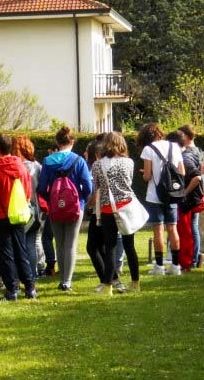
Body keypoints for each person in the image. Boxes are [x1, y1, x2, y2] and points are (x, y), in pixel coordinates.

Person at [38, 126, 93, 291]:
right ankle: (66, 281)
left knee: (59, 243)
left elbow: (41, 187)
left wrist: (51, 200)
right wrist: (80, 199)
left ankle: (62, 277)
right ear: (72, 141)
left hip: (55, 208)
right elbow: (88, 187)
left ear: (56, 142)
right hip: (75, 207)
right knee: (70, 244)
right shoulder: (79, 161)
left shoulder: (48, 161)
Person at [0, 133, 37, 301]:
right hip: (19, 214)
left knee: (6, 254)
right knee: (21, 250)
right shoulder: (21, 166)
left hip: (0, 216)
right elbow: (28, 192)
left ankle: (12, 289)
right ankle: (30, 287)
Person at [91, 132, 141, 293]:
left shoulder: (97, 165)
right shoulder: (129, 162)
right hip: (126, 205)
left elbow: (96, 187)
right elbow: (129, 182)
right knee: (129, 245)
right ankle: (135, 283)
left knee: (110, 246)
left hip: (108, 208)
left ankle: (107, 285)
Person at [138, 123, 185, 276]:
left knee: (158, 229)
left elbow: (147, 176)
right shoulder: (174, 147)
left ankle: (159, 267)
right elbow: (182, 171)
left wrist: (143, 172)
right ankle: (176, 266)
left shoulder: (148, 149)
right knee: (173, 228)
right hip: (172, 194)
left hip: (154, 195)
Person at [82, 136, 115, 292]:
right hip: (112, 208)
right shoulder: (117, 163)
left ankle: (106, 280)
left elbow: (97, 192)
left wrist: (86, 205)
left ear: (95, 154)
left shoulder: (97, 166)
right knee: (102, 247)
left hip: (100, 211)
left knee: (93, 247)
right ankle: (112, 279)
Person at [11, 136, 43, 281]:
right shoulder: (37, 166)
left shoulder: (15, 166)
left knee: (20, 244)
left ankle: (21, 275)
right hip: (35, 208)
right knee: (31, 242)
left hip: (18, 207)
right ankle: (32, 274)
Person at [178, 124, 204, 267]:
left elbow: (196, 177)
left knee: (191, 227)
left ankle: (192, 259)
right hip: (197, 194)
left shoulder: (187, 155)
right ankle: (195, 257)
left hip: (191, 195)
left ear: (186, 137)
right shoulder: (198, 151)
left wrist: (185, 192)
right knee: (194, 225)